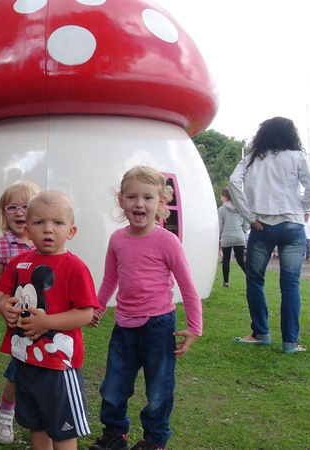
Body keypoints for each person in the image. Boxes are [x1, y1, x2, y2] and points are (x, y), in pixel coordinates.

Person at [89, 166, 203, 450]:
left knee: (159, 390)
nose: (139, 203)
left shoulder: (168, 241)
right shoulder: (117, 239)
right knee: (113, 387)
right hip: (124, 327)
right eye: (132, 197)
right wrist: (98, 306)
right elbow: (110, 279)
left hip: (158, 326)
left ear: (161, 203)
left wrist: (194, 328)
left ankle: (154, 441)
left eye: (148, 198)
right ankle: (115, 435)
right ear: (121, 201)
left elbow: (187, 286)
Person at [0, 190, 99, 450]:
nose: (48, 229)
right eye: (39, 222)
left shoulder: (75, 267)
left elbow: (86, 313)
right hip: (25, 361)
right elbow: (5, 295)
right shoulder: (18, 263)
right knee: (36, 424)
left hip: (59, 365)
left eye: (58, 222)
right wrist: (3, 307)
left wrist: (47, 322)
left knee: (63, 430)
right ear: (28, 231)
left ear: (71, 231)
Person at [228, 117, 310, 354]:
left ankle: (261, 332)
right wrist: (301, 207)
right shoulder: (297, 157)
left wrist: (248, 216)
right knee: (290, 284)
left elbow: (233, 182)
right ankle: (290, 342)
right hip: (292, 225)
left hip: (262, 225)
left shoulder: (251, 160)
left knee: (255, 280)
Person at [0, 179, 42, 444]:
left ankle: (40, 412)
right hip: (17, 319)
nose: (19, 213)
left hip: (46, 319)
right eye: (12, 208)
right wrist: (2, 304)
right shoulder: (2, 245)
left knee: (41, 365)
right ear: (4, 213)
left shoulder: (47, 240)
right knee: (19, 364)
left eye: (25, 206)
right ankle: (6, 410)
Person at [217, 187, 248, 287]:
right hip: (239, 236)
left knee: (226, 259)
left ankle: (226, 282)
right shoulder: (240, 208)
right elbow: (246, 221)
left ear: (225, 197)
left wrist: (219, 235)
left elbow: (220, 225)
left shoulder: (222, 210)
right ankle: (251, 277)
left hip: (227, 236)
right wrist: (243, 230)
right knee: (240, 259)